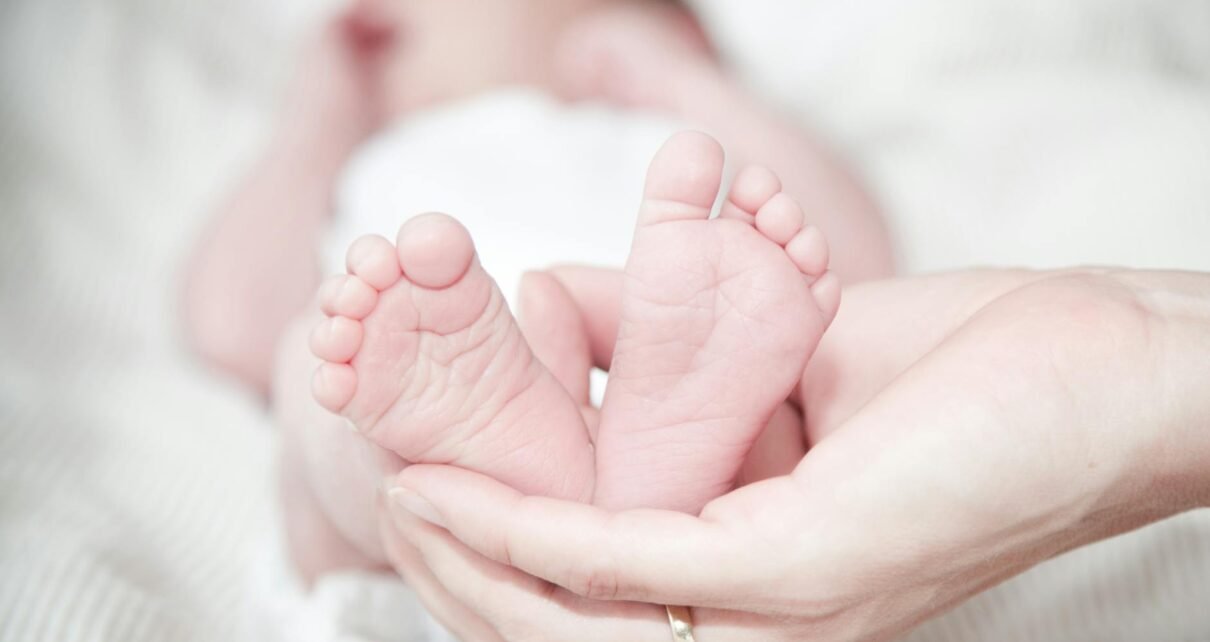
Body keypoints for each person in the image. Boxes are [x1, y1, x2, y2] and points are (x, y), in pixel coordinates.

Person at [183, 0, 891, 581]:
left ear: (678, 29)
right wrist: (322, 113)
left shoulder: (668, 133)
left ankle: (618, 471)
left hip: (676, 405)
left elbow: (855, 269)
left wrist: (684, 80)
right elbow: (233, 324)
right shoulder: (378, 152)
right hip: (421, 464)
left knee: (785, 385)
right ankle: (533, 466)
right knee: (323, 376)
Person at [376, 265, 1210, 640]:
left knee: (361, 437)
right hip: (528, 327)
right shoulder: (375, 97)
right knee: (363, 414)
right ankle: (605, 472)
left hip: (609, 314)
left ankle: (564, 479)